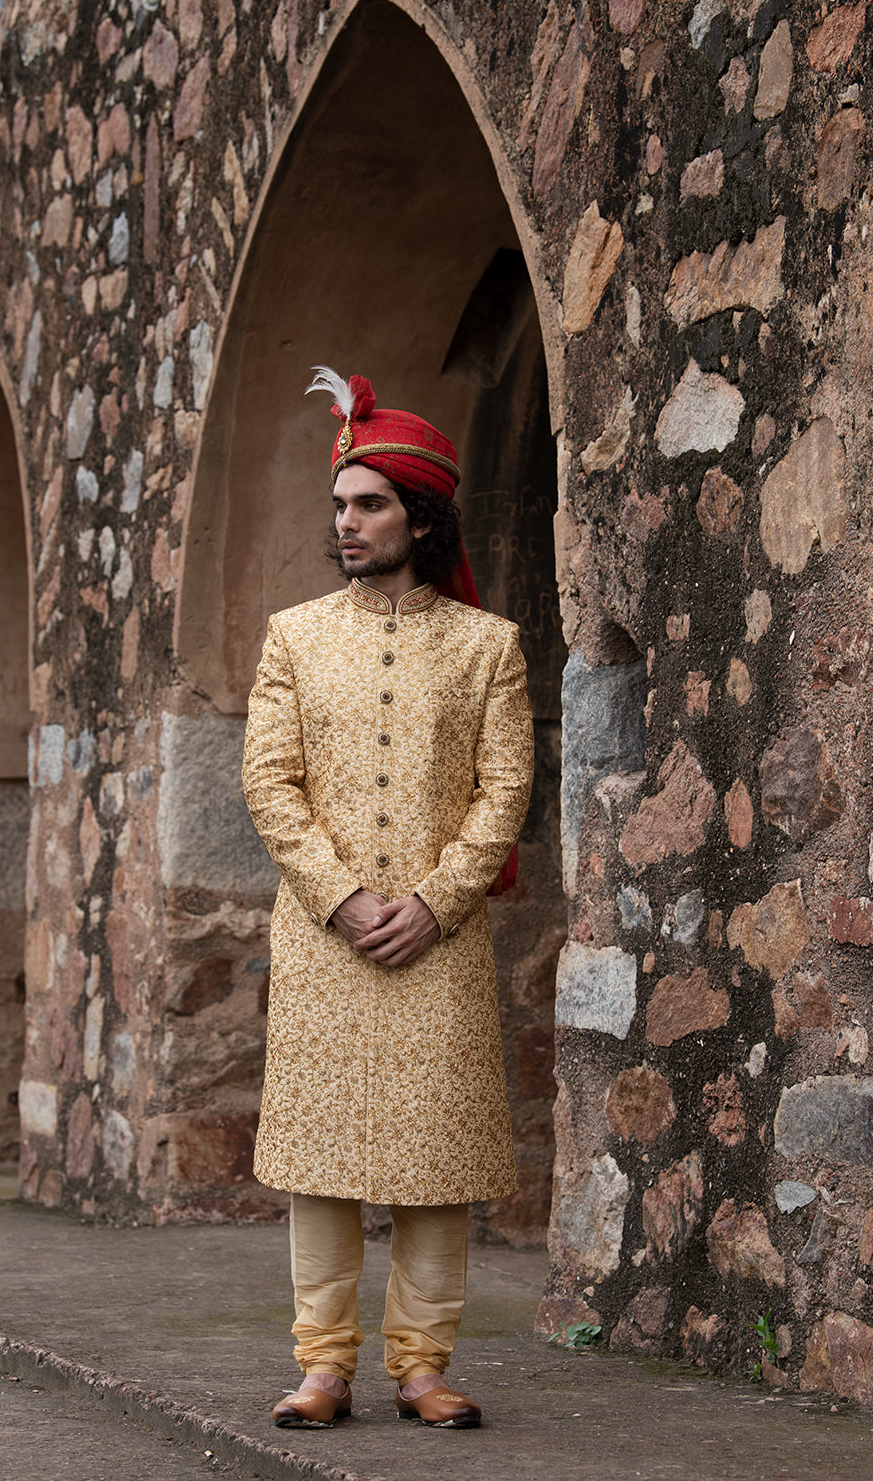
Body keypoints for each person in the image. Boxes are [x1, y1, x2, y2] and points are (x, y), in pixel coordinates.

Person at [242, 368, 534, 1430]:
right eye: (338, 504)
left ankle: (422, 1366)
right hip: (326, 938)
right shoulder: (294, 635)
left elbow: (505, 787)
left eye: (369, 502)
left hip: (438, 938)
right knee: (317, 1163)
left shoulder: (486, 646)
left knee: (433, 1160)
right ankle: (322, 1367)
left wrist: (437, 899)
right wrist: (337, 897)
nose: (348, 521)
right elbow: (268, 779)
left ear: (421, 512)